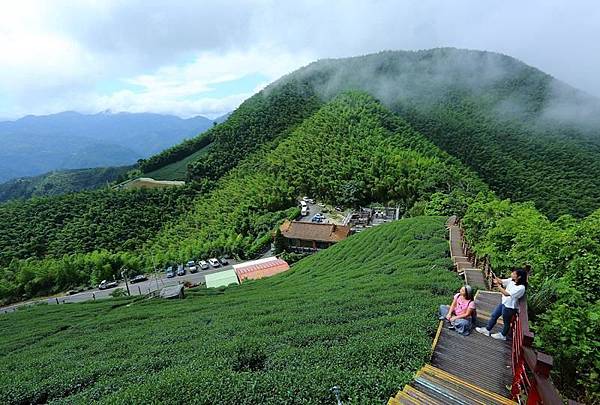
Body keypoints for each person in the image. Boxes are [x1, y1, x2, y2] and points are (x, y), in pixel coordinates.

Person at [476, 268, 527, 341]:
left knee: (506, 322)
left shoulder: (521, 288)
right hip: (504, 303)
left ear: (519, 277)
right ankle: (487, 330)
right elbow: (502, 281)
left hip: (510, 307)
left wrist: (498, 285)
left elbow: (506, 294)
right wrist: (496, 278)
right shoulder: (512, 280)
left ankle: (503, 335)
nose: (512, 274)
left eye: (514, 273)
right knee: (494, 315)